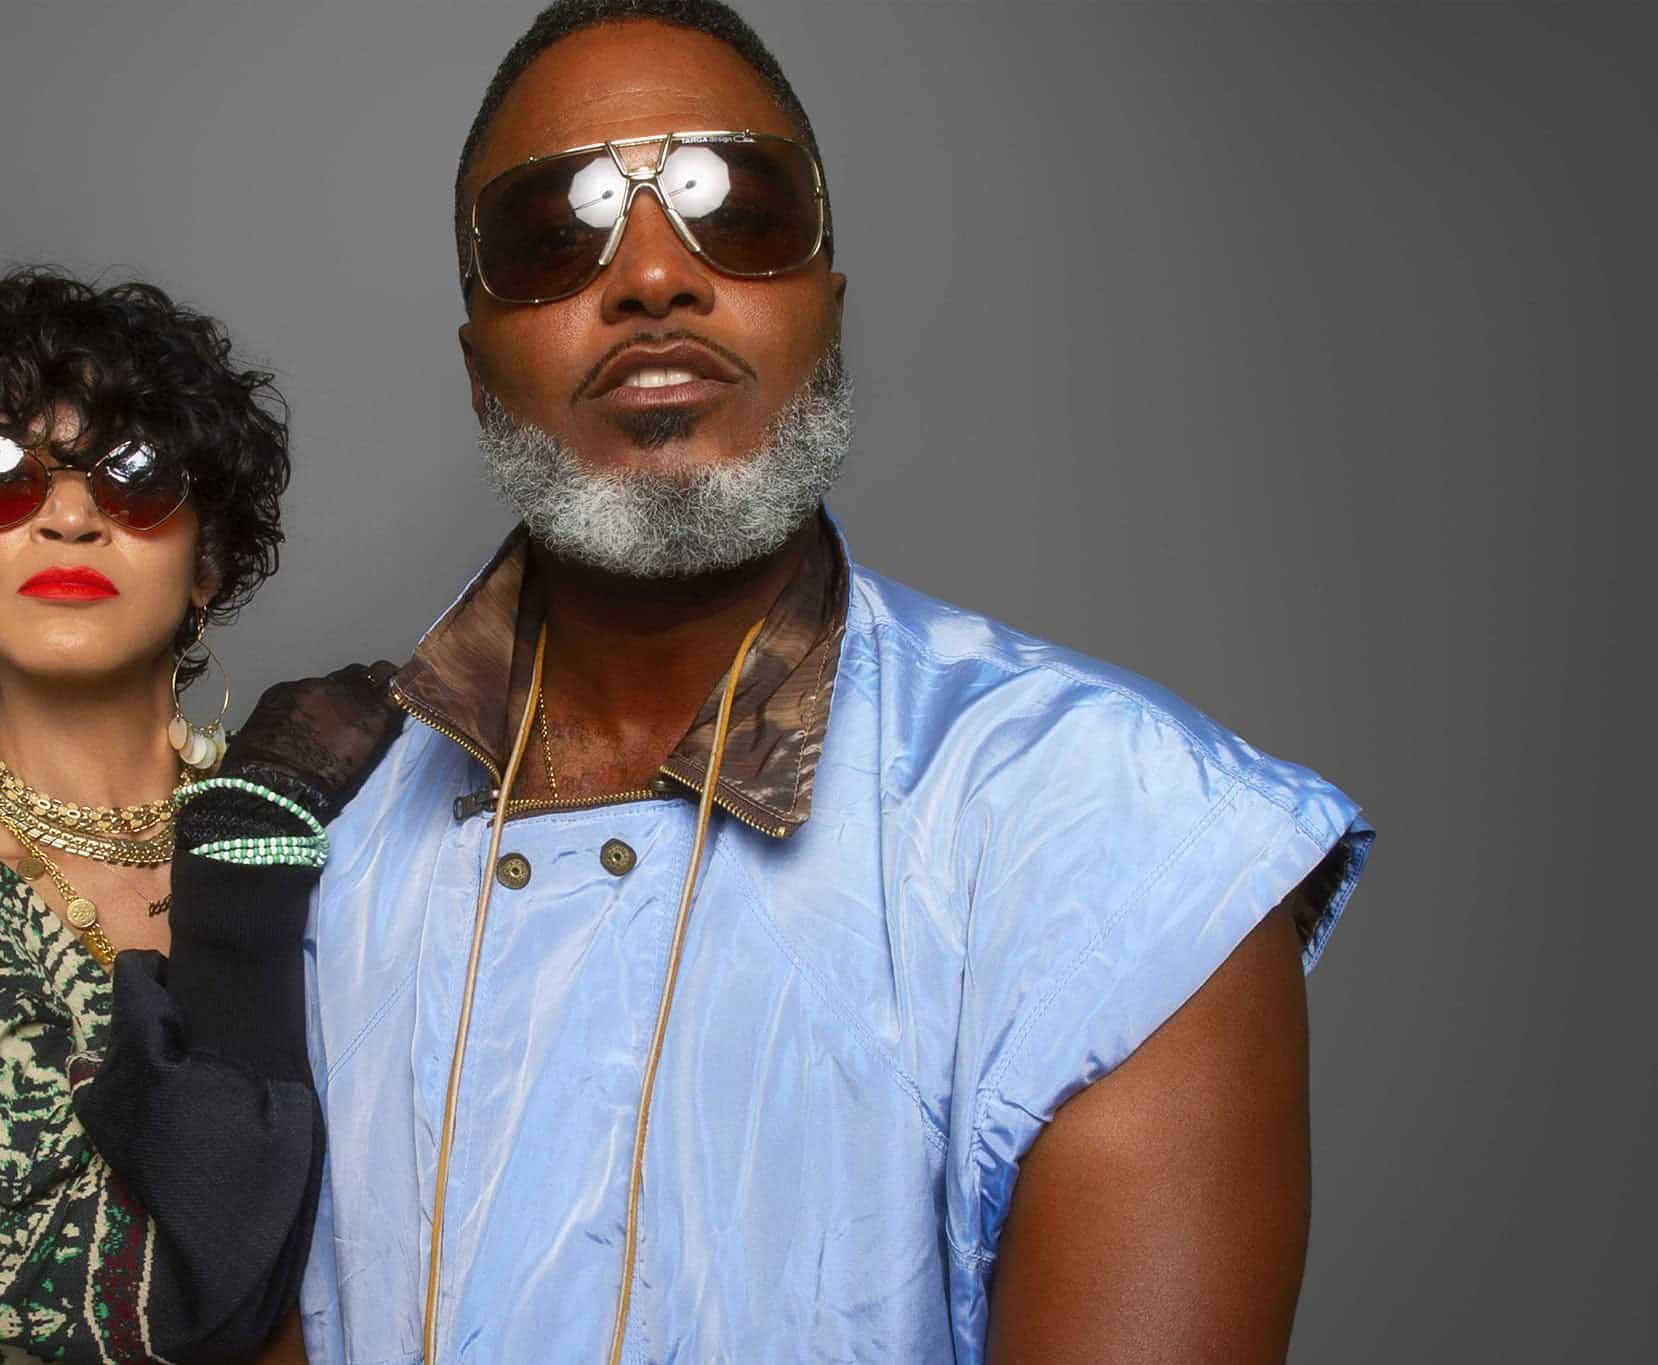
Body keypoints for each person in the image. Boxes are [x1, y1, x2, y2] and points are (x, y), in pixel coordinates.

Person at [297, 3, 1375, 1362]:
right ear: (475, 367)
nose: (651, 277)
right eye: (553, 234)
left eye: (734, 208)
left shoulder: (1124, 842)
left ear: (827, 309)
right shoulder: (298, 825)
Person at [0, 266, 397, 1363]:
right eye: (0, 476)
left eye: (135, 477)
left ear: (208, 561)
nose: (68, 516)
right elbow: (143, 1297)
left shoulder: (356, 837)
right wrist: (239, 870)